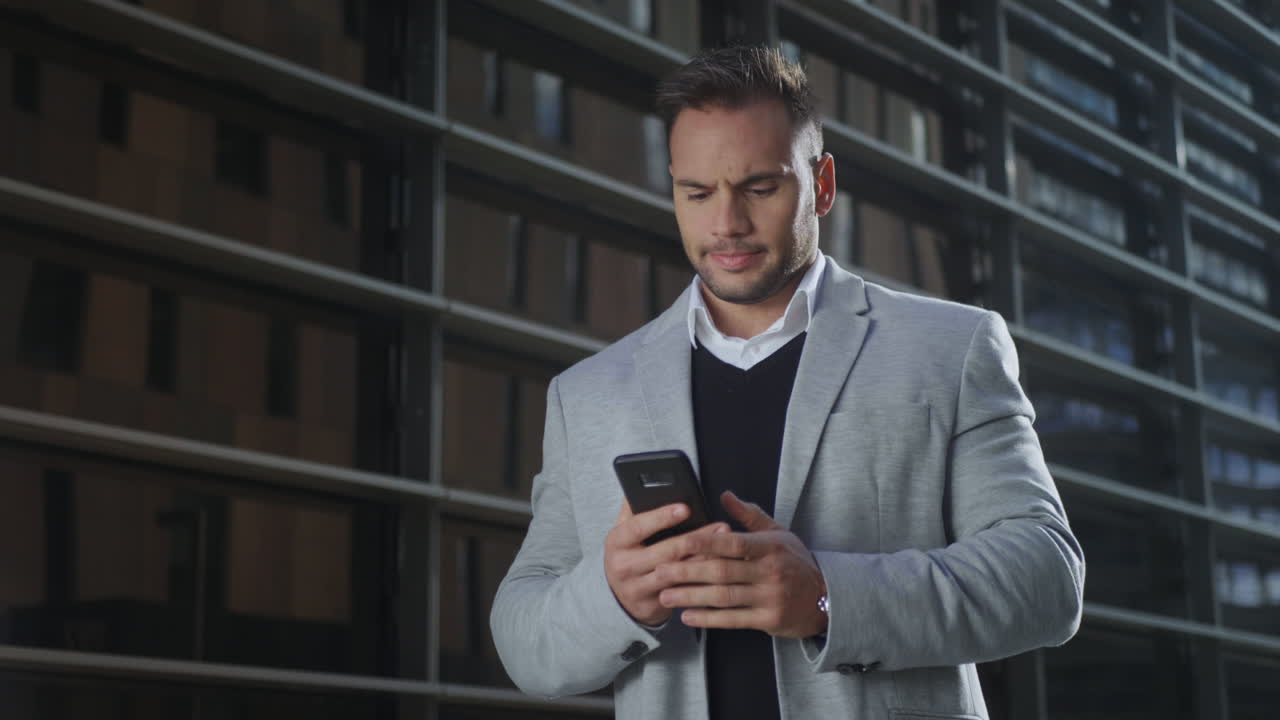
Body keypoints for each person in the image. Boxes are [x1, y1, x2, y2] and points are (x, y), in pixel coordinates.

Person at [490, 44, 1084, 720]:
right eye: (697, 192)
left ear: (821, 184)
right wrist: (614, 595)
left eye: (759, 187)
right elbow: (523, 637)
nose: (726, 224)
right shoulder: (587, 394)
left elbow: (1046, 578)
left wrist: (828, 598)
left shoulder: (950, 348)